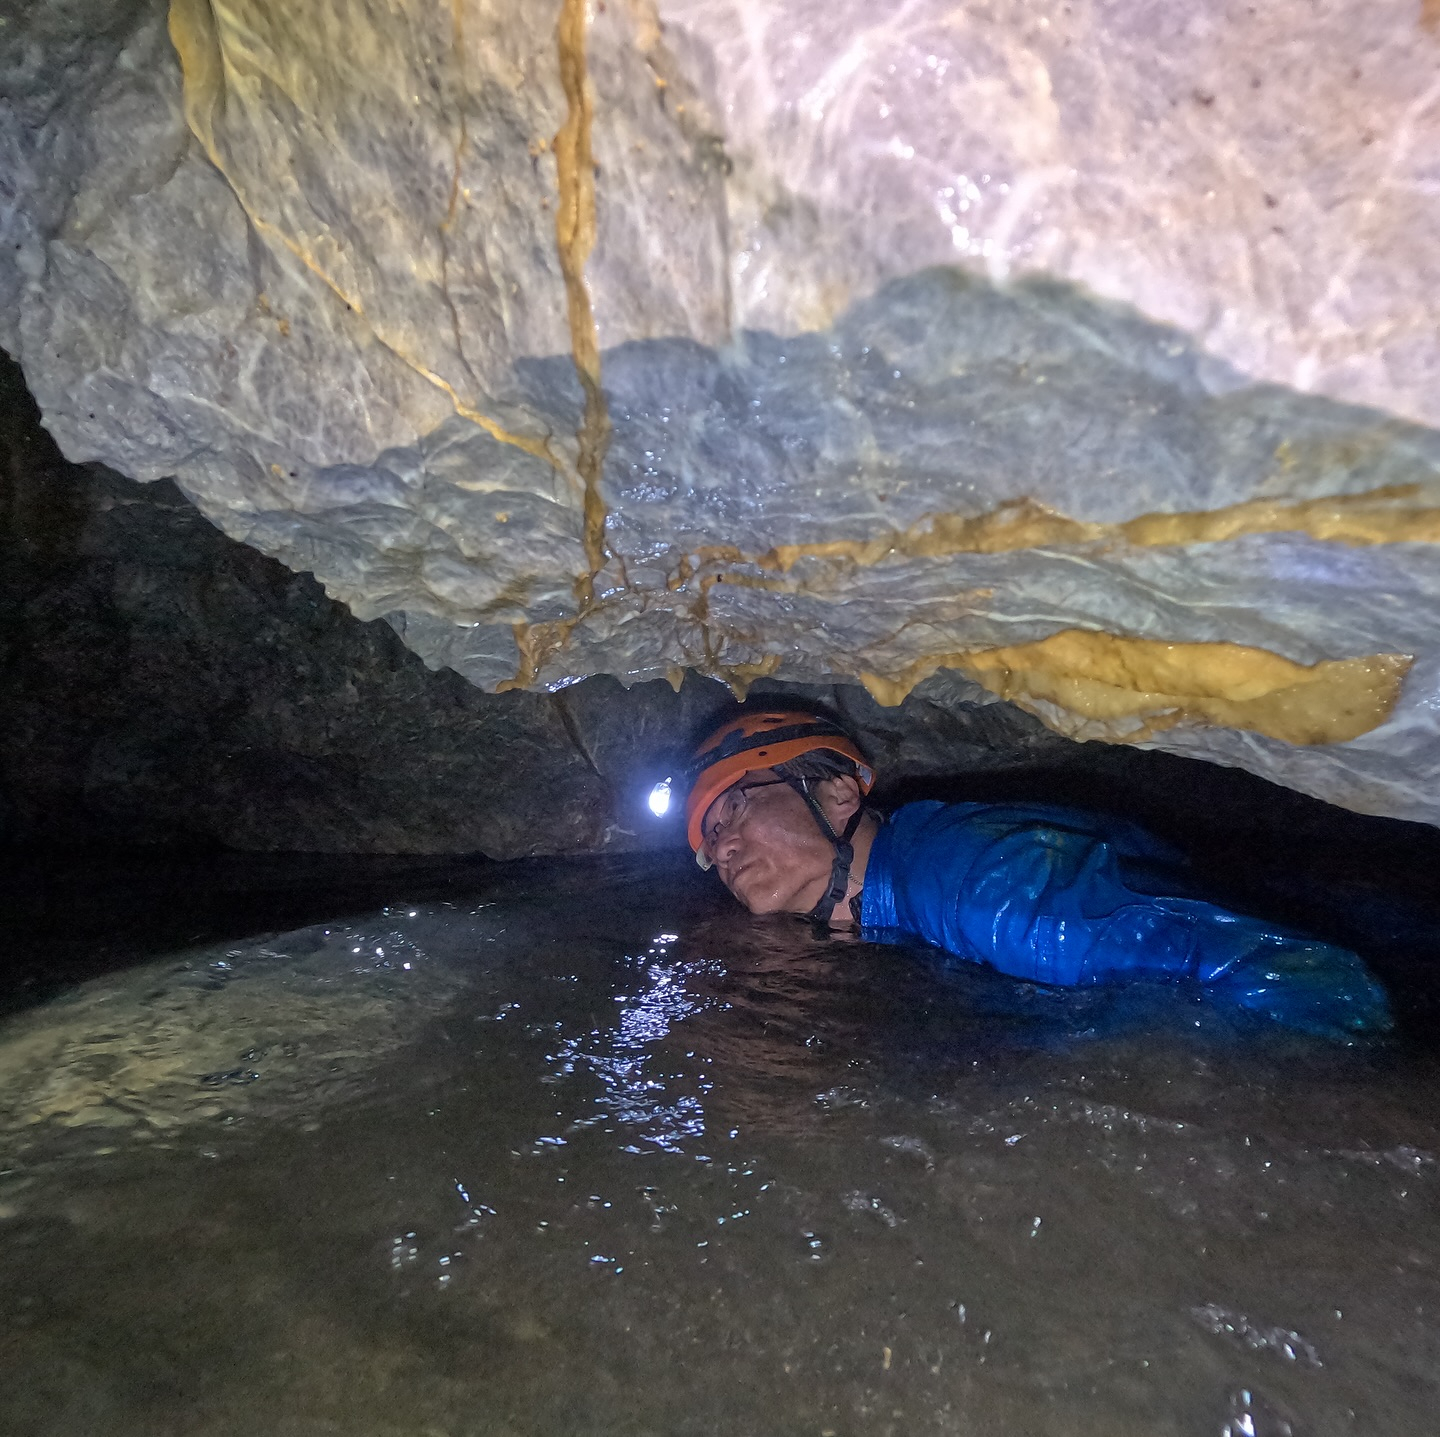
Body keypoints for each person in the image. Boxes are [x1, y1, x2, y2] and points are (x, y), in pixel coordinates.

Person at [682, 708, 1392, 1040]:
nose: (723, 846)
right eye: (710, 837)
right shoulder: (880, 913)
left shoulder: (981, 882)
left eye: (737, 804)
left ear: (837, 792)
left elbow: (1300, 973)